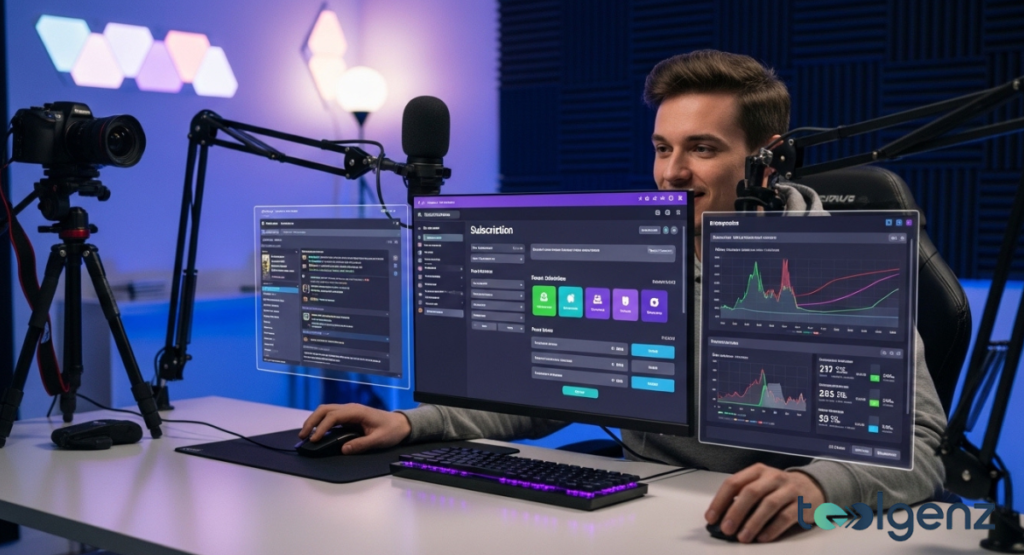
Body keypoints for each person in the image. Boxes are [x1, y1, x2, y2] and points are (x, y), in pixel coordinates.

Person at [298, 50, 947, 544]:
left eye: (702, 148)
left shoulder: (840, 264)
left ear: (766, 162)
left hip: (761, 529)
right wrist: (416, 422)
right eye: (663, 148)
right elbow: (544, 392)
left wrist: (817, 484)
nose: (672, 172)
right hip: (636, 514)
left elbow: (921, 446)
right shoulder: (636, 246)